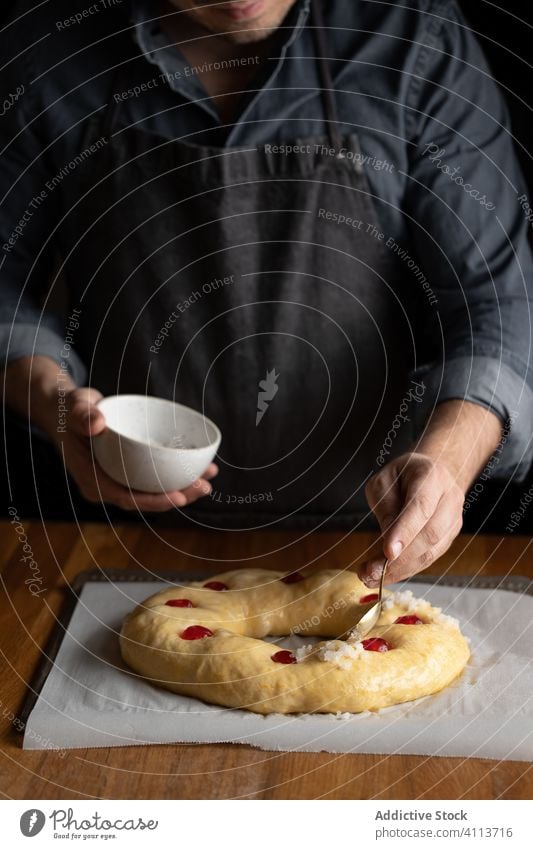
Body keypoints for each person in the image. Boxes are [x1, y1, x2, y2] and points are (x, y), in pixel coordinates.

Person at [1, 0, 532, 587]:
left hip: (374, 538)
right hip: (116, 536)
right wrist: (55, 401)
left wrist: (449, 462)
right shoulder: (49, 47)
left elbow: (499, 303)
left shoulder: (413, 35)